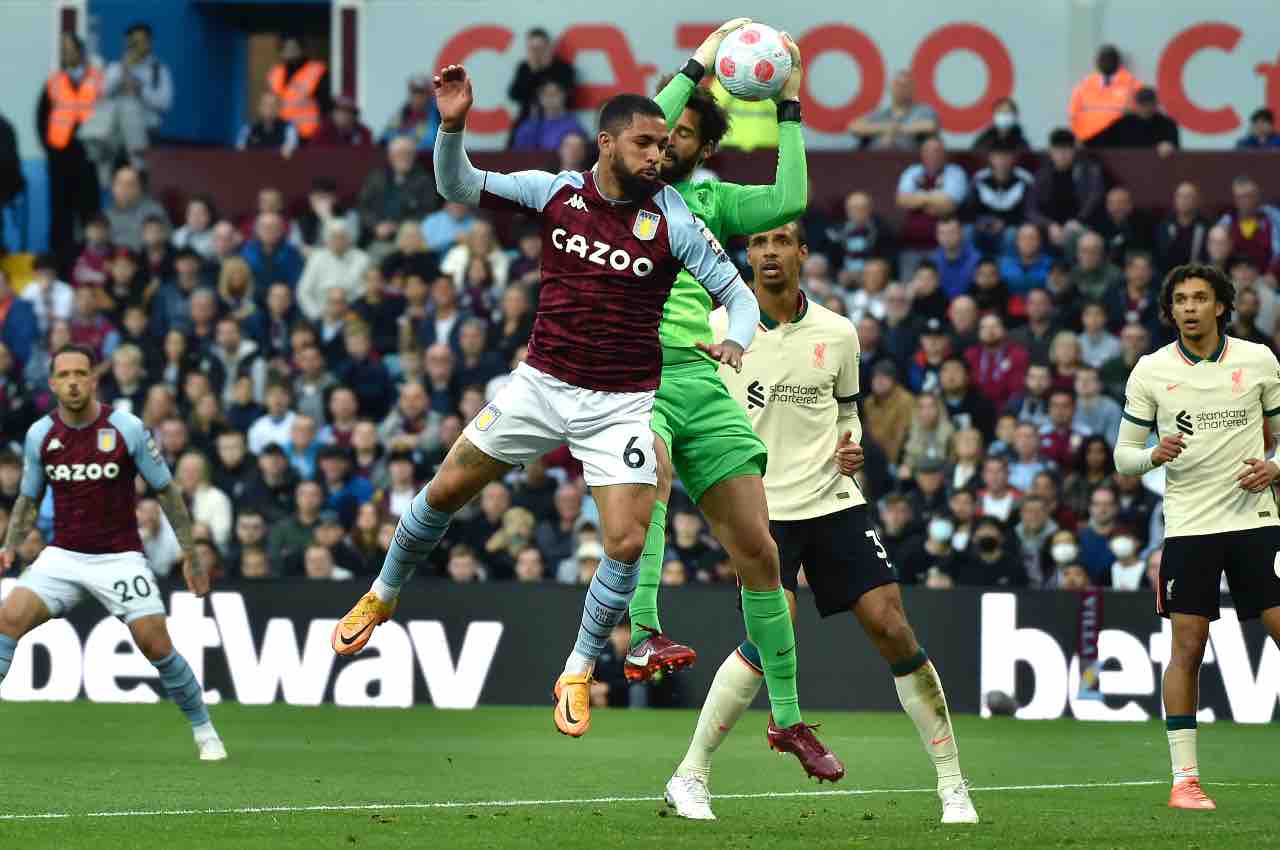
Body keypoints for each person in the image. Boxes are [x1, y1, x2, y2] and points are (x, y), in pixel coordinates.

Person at [331, 62, 816, 755]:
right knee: (444, 489)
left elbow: (737, 296)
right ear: (607, 143)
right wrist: (453, 126)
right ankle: (382, 592)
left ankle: (578, 668)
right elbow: (459, 185)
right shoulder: (556, 192)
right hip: (541, 386)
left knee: (625, 541)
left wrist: (737, 339)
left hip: (621, 404)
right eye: (645, 143)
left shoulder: (674, 219)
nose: (658, 156)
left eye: (664, 145)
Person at [666, 220, 979, 823]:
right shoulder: (715, 329)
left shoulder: (838, 332)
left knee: (892, 626)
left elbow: (846, 410)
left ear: (801, 253)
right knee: (772, 632)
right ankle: (690, 775)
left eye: (781, 241)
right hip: (760, 507)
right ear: (746, 255)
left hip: (834, 500)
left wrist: (850, 443)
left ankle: (952, 783)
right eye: (759, 243)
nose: (769, 252)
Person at [0, 344, 226, 761]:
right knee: (7, 619)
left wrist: (192, 556)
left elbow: (166, 491)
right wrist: (10, 545)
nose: (72, 382)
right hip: (63, 555)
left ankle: (204, 729)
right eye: (64, 375)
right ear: (52, 384)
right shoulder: (40, 435)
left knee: (155, 645)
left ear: (93, 379)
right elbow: (29, 499)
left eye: (80, 373)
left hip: (119, 557)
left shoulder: (126, 427)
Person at [1114, 263, 1280, 809]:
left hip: (1256, 519)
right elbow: (1123, 457)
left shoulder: (1258, 360)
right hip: (1190, 528)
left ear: (1221, 306)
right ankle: (1184, 780)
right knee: (1187, 647)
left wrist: (1276, 467)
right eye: (1181, 299)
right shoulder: (1151, 370)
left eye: (1200, 298)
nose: (1189, 307)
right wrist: (1152, 455)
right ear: (1171, 310)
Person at [38, 32, 103, 265]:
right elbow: (41, 117)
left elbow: (107, 112)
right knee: (60, 214)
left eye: (70, 48)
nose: (66, 52)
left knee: (89, 212)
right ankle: (60, 264)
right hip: (60, 158)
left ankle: (90, 261)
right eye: (63, 49)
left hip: (90, 157)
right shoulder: (54, 81)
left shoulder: (97, 79)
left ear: (80, 51)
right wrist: (50, 149)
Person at [95, 22, 173, 178]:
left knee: (145, 178)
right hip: (116, 132)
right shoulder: (115, 68)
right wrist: (123, 70)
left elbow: (165, 103)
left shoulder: (158, 70)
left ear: (149, 43)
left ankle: (139, 174)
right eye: (131, 42)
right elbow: (100, 95)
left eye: (139, 42)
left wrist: (140, 91)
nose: (135, 46)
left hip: (147, 130)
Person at [1028, 129, 1105, 252]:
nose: (1062, 155)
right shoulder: (1042, 175)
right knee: (1027, 233)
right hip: (1048, 227)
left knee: (1076, 236)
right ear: (1050, 151)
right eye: (1058, 150)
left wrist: (1078, 220)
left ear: (1074, 151)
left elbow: (1094, 199)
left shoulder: (1088, 171)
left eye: (1067, 150)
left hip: (1080, 225)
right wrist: (1049, 224)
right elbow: (1030, 209)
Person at [357, 135, 439, 249]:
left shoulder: (424, 181)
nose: (404, 157)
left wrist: (397, 226)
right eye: (400, 154)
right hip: (374, 236)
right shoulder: (376, 178)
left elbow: (427, 212)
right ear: (391, 156)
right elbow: (363, 207)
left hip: (409, 239)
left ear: (414, 156)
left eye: (408, 154)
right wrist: (376, 225)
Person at [506, 28, 577, 141]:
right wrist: (533, 71)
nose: (537, 52)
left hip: (557, 119)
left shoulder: (564, 68)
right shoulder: (524, 68)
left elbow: (569, 97)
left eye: (540, 48)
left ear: (549, 47)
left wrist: (545, 68)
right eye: (532, 49)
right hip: (528, 118)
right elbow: (514, 95)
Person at [1069, 44, 1142, 143]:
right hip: (1089, 142)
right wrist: (1079, 137)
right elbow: (1074, 114)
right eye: (1102, 59)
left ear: (1117, 61)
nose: (1105, 62)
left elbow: (1141, 115)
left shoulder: (1133, 85)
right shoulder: (1084, 85)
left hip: (1119, 143)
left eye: (1109, 59)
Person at [849, 70, 938, 150]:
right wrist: (886, 128)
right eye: (897, 85)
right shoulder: (882, 113)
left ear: (913, 89)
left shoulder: (922, 111)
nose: (901, 89)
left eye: (906, 85)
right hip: (876, 157)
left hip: (909, 157)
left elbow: (930, 126)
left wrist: (897, 129)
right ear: (890, 88)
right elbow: (854, 127)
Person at [267, 34, 330, 142]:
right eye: (286, 48)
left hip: (309, 135)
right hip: (282, 135)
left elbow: (325, 105)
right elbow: (270, 105)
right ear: (281, 52)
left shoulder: (316, 71)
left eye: (293, 48)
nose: (290, 52)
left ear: (302, 50)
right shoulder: (275, 73)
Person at [1089, 87, 1180, 154]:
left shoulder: (1167, 124)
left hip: (1155, 169)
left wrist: (1169, 147)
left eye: (1150, 103)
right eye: (1143, 104)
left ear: (1156, 104)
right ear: (1136, 104)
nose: (1147, 108)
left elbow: (1175, 149)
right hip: (1123, 169)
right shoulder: (1121, 124)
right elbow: (1101, 143)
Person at [105, 165, 169, 253]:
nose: (125, 188)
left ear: (139, 188)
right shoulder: (106, 215)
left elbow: (167, 241)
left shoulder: (154, 211)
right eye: (120, 183)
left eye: (130, 184)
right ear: (112, 187)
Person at [510, 80, 585, 152]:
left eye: (555, 93)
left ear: (564, 95)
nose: (550, 97)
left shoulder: (572, 125)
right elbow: (517, 153)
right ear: (539, 97)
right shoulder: (528, 126)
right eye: (546, 93)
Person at [379, 74, 441, 151]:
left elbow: (433, 140)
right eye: (414, 92)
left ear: (428, 94)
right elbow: (386, 135)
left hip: (425, 156)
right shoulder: (403, 112)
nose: (417, 97)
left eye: (421, 93)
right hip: (400, 153)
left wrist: (409, 144)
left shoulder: (437, 113)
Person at [235, 91, 299, 158]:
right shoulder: (248, 129)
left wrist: (287, 149)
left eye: (272, 105)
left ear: (278, 109)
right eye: (265, 105)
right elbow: (239, 152)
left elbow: (291, 150)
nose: (268, 108)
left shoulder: (288, 129)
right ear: (259, 107)